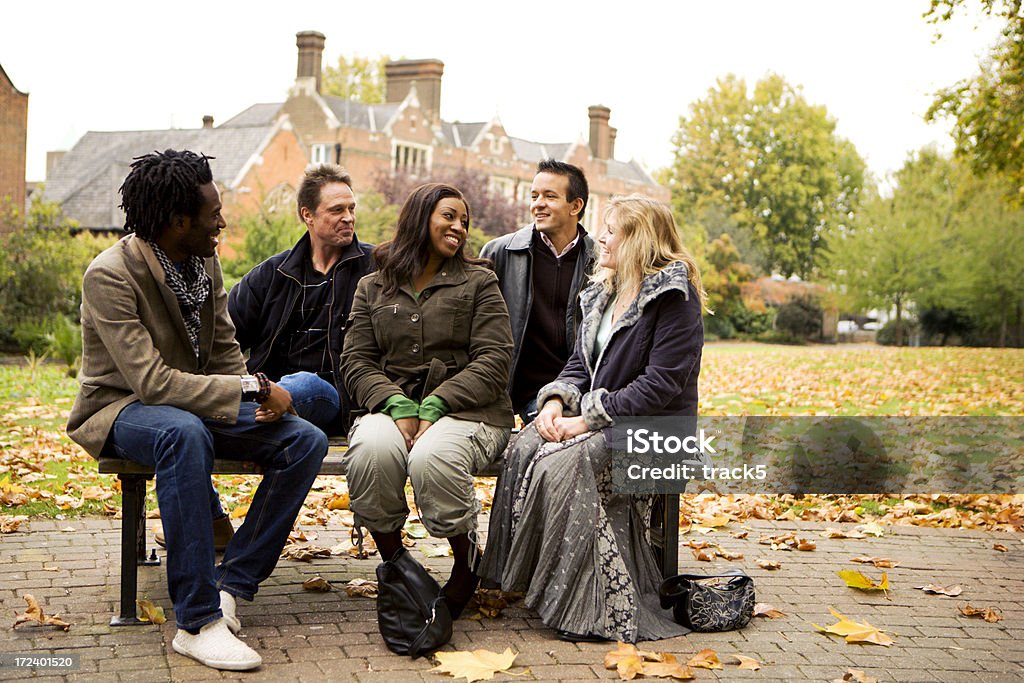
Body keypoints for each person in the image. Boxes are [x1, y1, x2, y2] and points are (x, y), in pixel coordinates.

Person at [66, 150, 328, 671]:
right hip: (122, 408)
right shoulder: (110, 275)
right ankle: (197, 622)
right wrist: (246, 394)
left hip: (193, 403)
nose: (222, 222)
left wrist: (259, 390)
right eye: (213, 214)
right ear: (177, 221)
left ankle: (233, 585)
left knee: (305, 440)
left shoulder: (203, 260)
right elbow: (150, 381)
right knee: (183, 433)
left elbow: (227, 350)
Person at [480, 195, 707, 643]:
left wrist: (585, 421)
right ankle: (520, 579)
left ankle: (587, 608)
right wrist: (554, 403)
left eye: (611, 230)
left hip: (657, 431)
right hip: (610, 419)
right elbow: (581, 366)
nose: (600, 238)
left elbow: (660, 386)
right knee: (526, 444)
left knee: (561, 464)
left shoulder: (675, 297)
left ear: (639, 240)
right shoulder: (605, 290)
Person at [341, 183, 514, 620]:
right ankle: (396, 561)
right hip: (391, 405)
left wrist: (436, 405)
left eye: (463, 221)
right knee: (373, 452)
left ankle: (465, 560)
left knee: (432, 458)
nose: (459, 227)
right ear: (420, 218)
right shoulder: (372, 287)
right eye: (449, 216)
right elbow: (356, 359)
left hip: (469, 409)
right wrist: (396, 405)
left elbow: (495, 359)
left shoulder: (480, 281)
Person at [229, 163, 375, 434]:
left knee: (307, 385)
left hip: (339, 402)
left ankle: (224, 422)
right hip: (269, 398)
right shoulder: (272, 274)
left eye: (351, 208)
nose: (349, 217)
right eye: (337, 210)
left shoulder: (377, 268)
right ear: (307, 215)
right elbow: (224, 338)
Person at [479, 160, 595, 423]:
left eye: (549, 196)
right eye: (534, 196)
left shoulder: (600, 262)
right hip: (521, 391)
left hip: (579, 389)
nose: (537, 204)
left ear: (576, 206)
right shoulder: (498, 253)